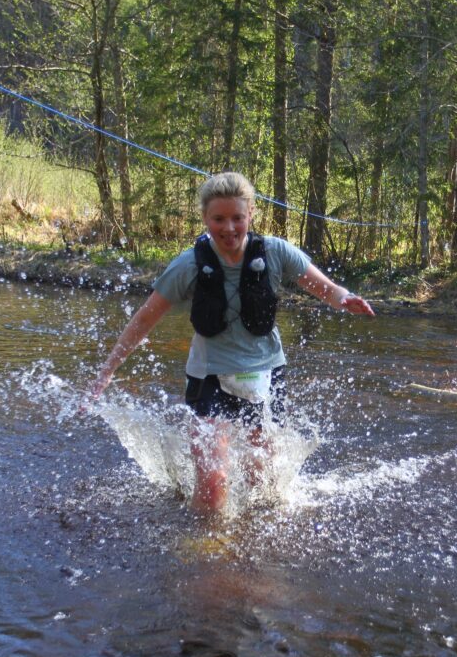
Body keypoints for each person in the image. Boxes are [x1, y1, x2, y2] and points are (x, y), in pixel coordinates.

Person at [90, 171, 374, 511]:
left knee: (264, 483)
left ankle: (255, 553)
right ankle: (206, 550)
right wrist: (108, 370)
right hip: (209, 377)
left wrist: (345, 300)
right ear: (205, 219)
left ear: (250, 214)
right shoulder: (189, 265)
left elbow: (326, 289)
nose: (228, 228)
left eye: (237, 218)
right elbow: (145, 319)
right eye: (218, 219)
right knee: (213, 484)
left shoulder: (276, 252)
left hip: (265, 374)